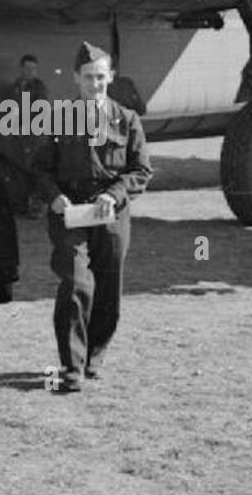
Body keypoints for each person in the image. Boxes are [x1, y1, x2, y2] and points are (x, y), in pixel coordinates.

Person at [31, 42, 152, 393]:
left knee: (108, 291)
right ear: (75, 79)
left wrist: (112, 196)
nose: (95, 84)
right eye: (88, 78)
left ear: (110, 77)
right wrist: (54, 196)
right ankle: (71, 366)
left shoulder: (127, 120)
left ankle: (93, 356)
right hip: (71, 215)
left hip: (111, 216)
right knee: (76, 284)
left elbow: (141, 170)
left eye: (100, 77)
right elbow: (38, 168)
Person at [10, 54, 50, 216]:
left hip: (34, 135)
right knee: (20, 169)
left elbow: (41, 111)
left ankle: (38, 207)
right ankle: (23, 205)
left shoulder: (39, 87)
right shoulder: (17, 85)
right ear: (21, 69)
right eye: (27, 68)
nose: (30, 71)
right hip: (18, 134)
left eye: (33, 69)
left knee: (35, 168)